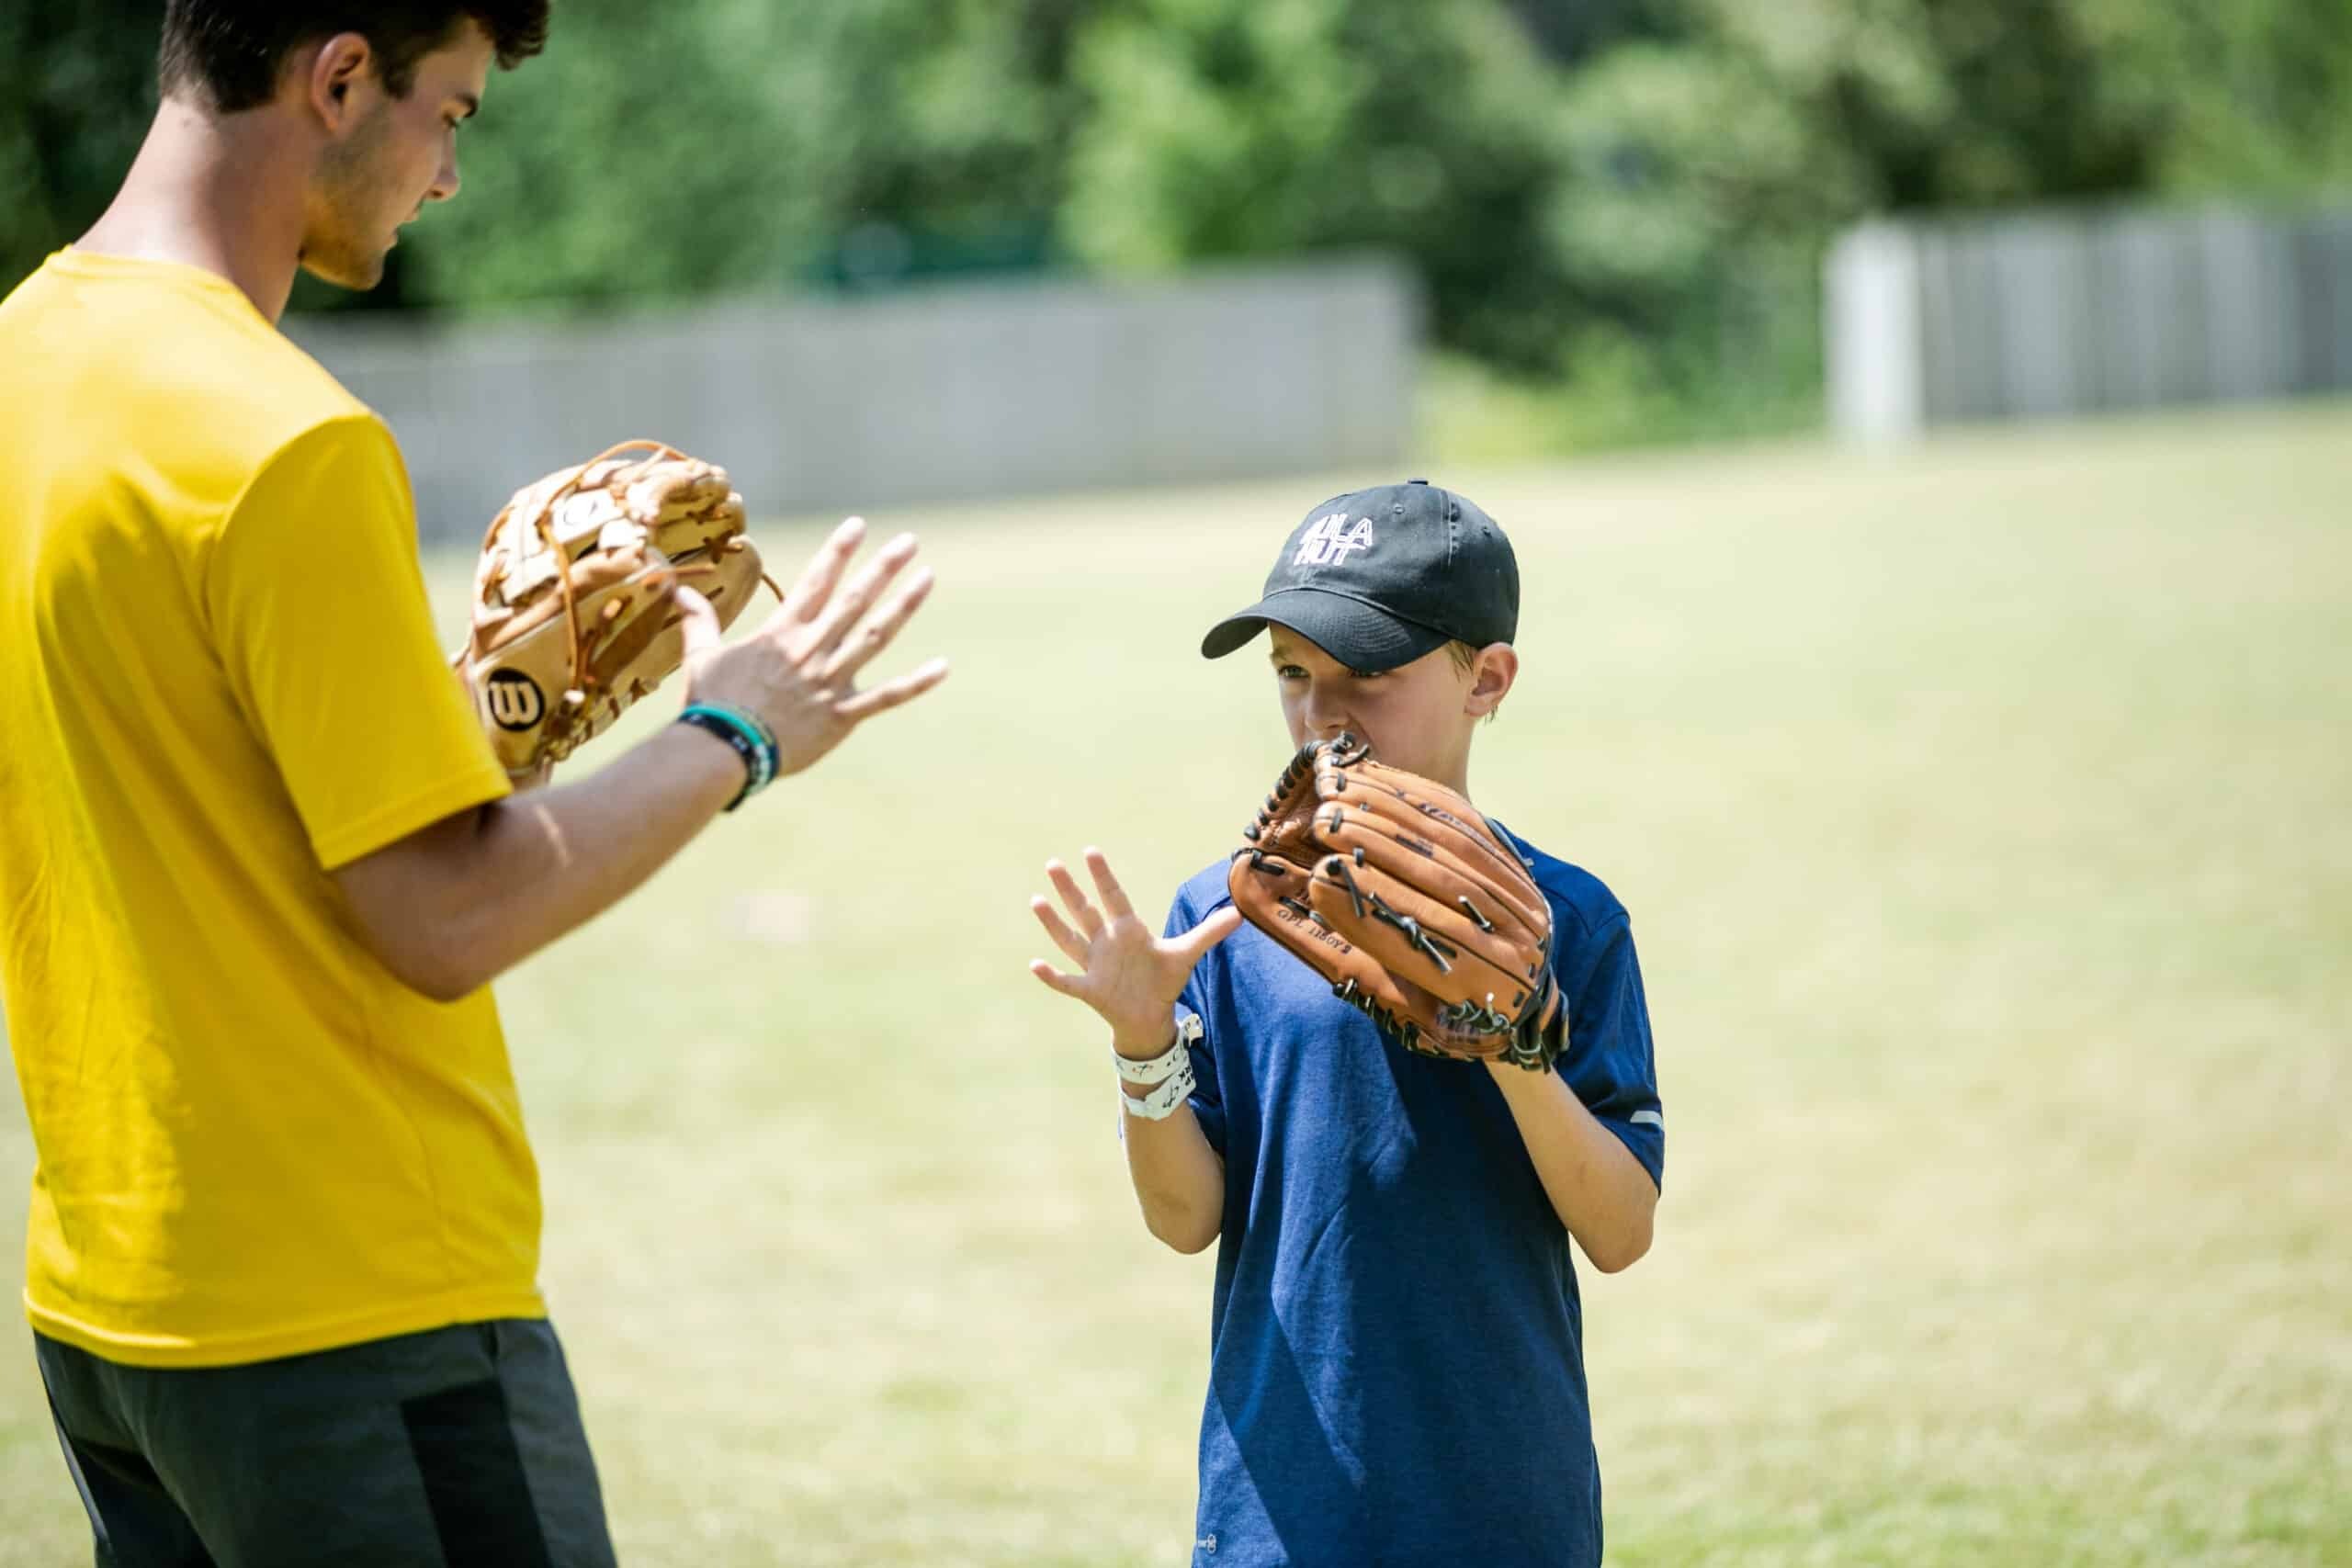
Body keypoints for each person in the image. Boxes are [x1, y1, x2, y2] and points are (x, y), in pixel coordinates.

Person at [0, 5, 947, 1561]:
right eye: (451, 114)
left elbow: (185, 783)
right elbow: (441, 917)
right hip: (357, 1322)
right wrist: (739, 730)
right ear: (339, 75)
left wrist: (483, 721)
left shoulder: (25, 358)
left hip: (110, 1314)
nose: (445, 176)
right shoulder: (287, 440)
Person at [1026, 480, 1663, 1566]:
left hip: (1501, 1493)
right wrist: (1142, 1042)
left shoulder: (1568, 918)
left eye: (1367, 672)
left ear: (1488, 679)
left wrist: (1509, 1041)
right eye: (1291, 673)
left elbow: (1619, 1231)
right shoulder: (1226, 919)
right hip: (1284, 1499)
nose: (1323, 713)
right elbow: (1185, 1219)